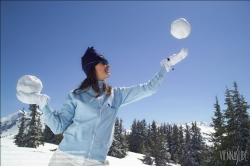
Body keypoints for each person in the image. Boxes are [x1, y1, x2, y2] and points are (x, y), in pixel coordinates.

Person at [16, 46, 188, 166]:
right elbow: (57, 126)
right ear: (92, 67)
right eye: (103, 62)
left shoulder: (116, 95)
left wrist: (166, 66)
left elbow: (149, 88)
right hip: (66, 158)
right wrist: (42, 103)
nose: (108, 65)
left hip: (96, 161)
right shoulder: (76, 96)